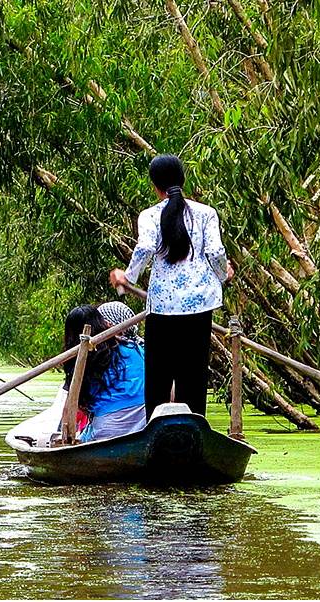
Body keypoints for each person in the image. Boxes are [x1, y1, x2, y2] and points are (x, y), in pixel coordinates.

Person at [109, 154, 231, 418]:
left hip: (163, 307)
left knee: (159, 374)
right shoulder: (206, 213)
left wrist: (127, 277)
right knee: (194, 373)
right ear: (182, 180)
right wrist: (223, 274)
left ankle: (156, 426)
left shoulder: (150, 216)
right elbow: (216, 251)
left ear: (154, 185)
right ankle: (194, 426)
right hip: (200, 305)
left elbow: (144, 248)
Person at [62, 305, 147, 442]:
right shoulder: (135, 347)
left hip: (108, 428)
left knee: (82, 436)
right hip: (146, 422)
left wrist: (65, 439)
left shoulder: (81, 361)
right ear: (102, 323)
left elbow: (70, 408)